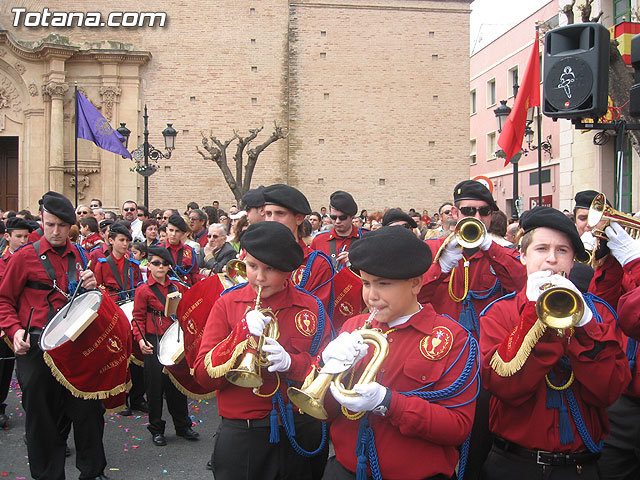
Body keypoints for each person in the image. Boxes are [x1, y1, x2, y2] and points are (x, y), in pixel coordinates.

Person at [479, 206, 630, 480]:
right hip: (515, 464)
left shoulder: (599, 313)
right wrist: (533, 316)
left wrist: (585, 325)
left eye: (562, 251)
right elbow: (504, 387)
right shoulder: (499, 313)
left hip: (581, 466)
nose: (551, 259)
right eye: (541, 249)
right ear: (522, 256)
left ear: (573, 261)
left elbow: (609, 391)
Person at [318, 226, 479, 480]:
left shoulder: (453, 338)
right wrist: (325, 367)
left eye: (384, 284)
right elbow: (325, 410)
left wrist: (389, 403)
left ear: (415, 283)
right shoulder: (352, 327)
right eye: (366, 283)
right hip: (344, 470)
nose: (372, 296)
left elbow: (457, 427)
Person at [193, 221, 330, 479]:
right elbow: (202, 377)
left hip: (299, 429)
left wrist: (292, 363)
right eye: (253, 265)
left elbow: (328, 369)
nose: (259, 277)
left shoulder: (311, 308)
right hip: (244, 431)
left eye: (270, 269)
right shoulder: (227, 303)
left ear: (288, 271)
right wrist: (238, 337)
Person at [419, 180, 527, 479]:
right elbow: (413, 299)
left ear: (491, 216)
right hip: (439, 359)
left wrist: (491, 247)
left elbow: (521, 284)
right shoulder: (432, 250)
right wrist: (441, 266)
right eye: (468, 210)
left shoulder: (502, 251)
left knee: (479, 442)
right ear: (455, 212)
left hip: (484, 362)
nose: (476, 218)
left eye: (483, 212)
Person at [0, 191, 109, 480]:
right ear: (42, 223)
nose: (55, 231)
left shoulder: (82, 255)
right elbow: (3, 300)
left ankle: (92, 472)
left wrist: (92, 285)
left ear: (70, 226)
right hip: (37, 349)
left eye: (61, 225)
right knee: (42, 420)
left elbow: (91, 303)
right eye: (50, 225)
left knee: (89, 413)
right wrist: (15, 330)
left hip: (76, 347)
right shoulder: (24, 257)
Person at [132, 246, 199, 446]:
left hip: (174, 339)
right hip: (153, 339)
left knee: (177, 384)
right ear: (149, 266)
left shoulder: (176, 287)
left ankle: (183, 425)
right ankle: (156, 429)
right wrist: (141, 339)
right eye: (155, 263)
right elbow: (137, 318)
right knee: (154, 386)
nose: (160, 267)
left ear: (169, 266)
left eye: (164, 263)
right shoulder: (143, 290)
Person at [263, 184, 335, 316]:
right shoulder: (255, 260)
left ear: (299, 218)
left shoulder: (318, 265)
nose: (272, 220)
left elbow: (316, 316)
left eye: (280, 213)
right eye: (268, 214)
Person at [0, 217, 33, 429]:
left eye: (26, 237)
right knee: (3, 368)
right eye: (18, 237)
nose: (22, 241)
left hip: (24, 325)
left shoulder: (31, 260)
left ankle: (34, 418)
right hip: (4, 324)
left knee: (26, 376)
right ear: (7, 237)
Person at [312, 191, 363, 270]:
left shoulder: (366, 238)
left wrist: (357, 262)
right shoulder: (318, 240)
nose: (338, 221)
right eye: (333, 217)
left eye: (342, 218)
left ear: (352, 217)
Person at [162, 213, 202, 286]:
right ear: (166, 230)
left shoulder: (189, 251)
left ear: (183, 234)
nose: (173, 234)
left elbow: (194, 274)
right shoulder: (159, 249)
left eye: (177, 231)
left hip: (184, 288)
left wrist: (202, 279)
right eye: (171, 230)